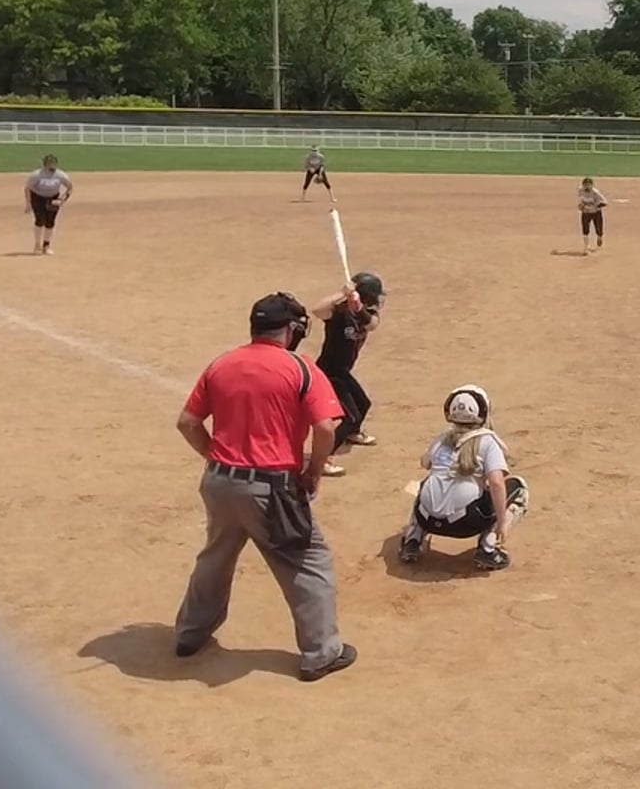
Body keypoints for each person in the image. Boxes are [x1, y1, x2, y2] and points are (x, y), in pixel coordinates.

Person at [171, 292, 356, 682]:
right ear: (290, 330)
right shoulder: (300, 367)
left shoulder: (222, 363)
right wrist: (314, 472)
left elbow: (187, 422)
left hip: (219, 482)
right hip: (271, 490)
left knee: (216, 557)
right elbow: (326, 428)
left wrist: (215, 457)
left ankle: (190, 634)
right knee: (308, 562)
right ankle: (321, 653)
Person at [397, 385, 531, 571]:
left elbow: (425, 462)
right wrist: (502, 522)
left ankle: (412, 540)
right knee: (518, 487)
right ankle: (488, 548)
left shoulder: (442, 438)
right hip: (467, 524)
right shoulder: (487, 441)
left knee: (427, 483)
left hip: (427, 520)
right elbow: (496, 482)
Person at [309, 272, 385, 477]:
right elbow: (317, 310)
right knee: (350, 417)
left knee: (363, 404)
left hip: (342, 371)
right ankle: (322, 458)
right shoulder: (339, 313)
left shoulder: (366, 314)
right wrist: (342, 294)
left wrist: (358, 308)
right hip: (328, 371)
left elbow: (372, 324)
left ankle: (352, 434)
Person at [22, 154, 72, 256]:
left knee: (50, 222)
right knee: (39, 220)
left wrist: (62, 200)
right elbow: (27, 189)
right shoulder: (36, 175)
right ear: (45, 165)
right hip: (38, 198)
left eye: (53, 164)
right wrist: (28, 204)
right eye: (50, 164)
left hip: (53, 198)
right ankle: (37, 245)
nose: (52, 166)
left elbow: (70, 188)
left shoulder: (61, 175)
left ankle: (46, 245)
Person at [578, 177, 608, 252]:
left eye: (588, 185)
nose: (587, 187)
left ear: (591, 185)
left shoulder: (596, 192)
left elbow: (605, 202)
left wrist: (596, 206)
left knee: (599, 229)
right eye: (585, 185)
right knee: (585, 229)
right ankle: (586, 246)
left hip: (596, 213)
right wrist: (581, 205)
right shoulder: (580, 191)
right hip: (586, 213)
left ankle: (599, 237)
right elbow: (581, 200)